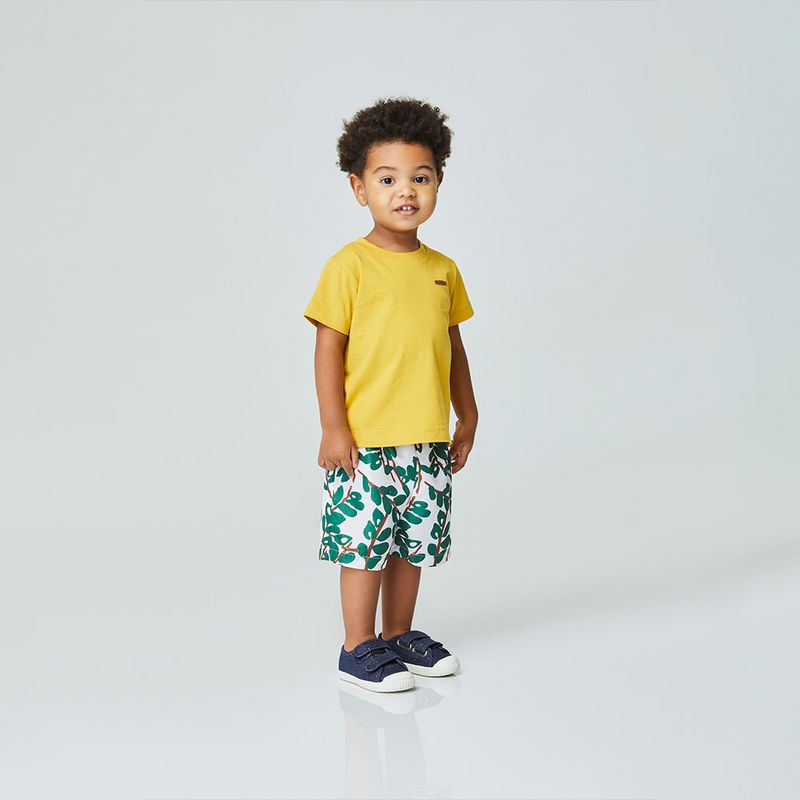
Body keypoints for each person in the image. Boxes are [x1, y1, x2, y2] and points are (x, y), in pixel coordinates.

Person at [303, 96, 478, 693]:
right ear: (359, 189)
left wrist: (468, 416)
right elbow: (327, 349)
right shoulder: (348, 266)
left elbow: (453, 348)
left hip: (425, 438)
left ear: (438, 184)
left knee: (412, 543)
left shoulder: (443, 270)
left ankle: (398, 634)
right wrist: (334, 427)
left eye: (420, 178)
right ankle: (358, 646)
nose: (406, 190)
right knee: (364, 546)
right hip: (365, 442)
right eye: (387, 179)